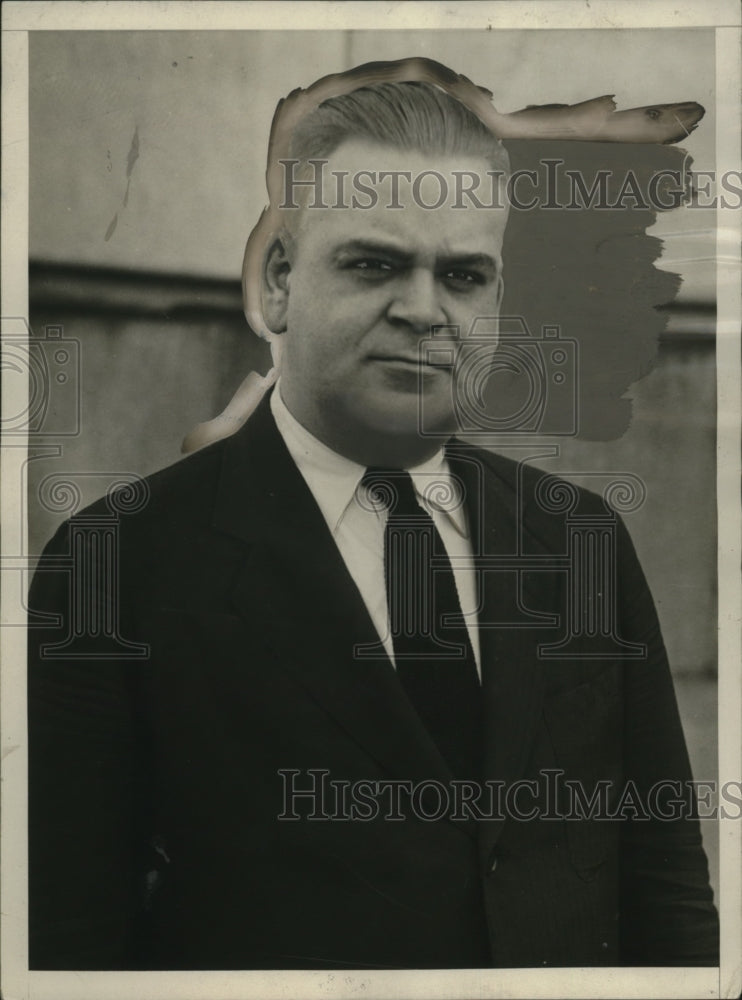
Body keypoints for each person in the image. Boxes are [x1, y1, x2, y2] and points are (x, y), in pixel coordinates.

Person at [27, 72, 719, 971]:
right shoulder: (118, 563)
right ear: (280, 281)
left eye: (463, 276)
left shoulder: (578, 536)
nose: (424, 310)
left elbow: (664, 890)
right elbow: (68, 943)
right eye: (374, 264)